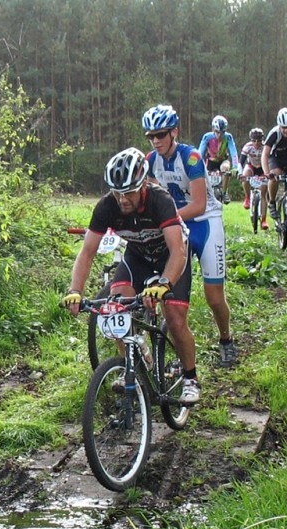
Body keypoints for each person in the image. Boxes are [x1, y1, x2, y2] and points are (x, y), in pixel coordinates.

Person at [61, 147, 201, 405]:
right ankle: (133, 367)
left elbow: (178, 251)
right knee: (114, 310)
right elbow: (87, 251)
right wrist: (75, 290)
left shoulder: (160, 201)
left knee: (175, 317)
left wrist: (164, 283)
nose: (122, 199)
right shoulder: (107, 206)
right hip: (137, 257)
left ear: (143, 185)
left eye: (128, 192)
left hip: (171, 258)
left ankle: (191, 378)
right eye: (117, 192)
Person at [142, 104, 238, 368]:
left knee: (214, 297)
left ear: (174, 132)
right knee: (168, 291)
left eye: (161, 134)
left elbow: (198, 205)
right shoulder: (151, 160)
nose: (156, 140)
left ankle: (226, 339)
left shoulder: (192, 157)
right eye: (151, 136)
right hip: (176, 226)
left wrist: (165, 221)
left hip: (205, 224)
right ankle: (175, 351)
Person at [197, 115, 240, 204]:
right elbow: (200, 152)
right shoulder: (207, 137)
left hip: (223, 160)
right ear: (213, 130)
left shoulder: (228, 137)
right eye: (217, 132)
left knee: (225, 169)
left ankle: (224, 192)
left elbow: (233, 152)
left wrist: (235, 167)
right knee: (202, 176)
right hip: (210, 161)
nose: (220, 135)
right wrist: (197, 164)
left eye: (222, 132)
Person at [240, 127, 269, 229]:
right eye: (254, 140)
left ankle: (264, 220)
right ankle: (247, 197)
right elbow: (241, 162)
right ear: (250, 140)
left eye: (259, 140)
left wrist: (268, 174)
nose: (256, 143)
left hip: (262, 169)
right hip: (251, 167)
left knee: (263, 192)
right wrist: (240, 174)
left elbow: (270, 161)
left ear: (262, 140)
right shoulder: (247, 147)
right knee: (245, 174)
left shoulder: (266, 147)